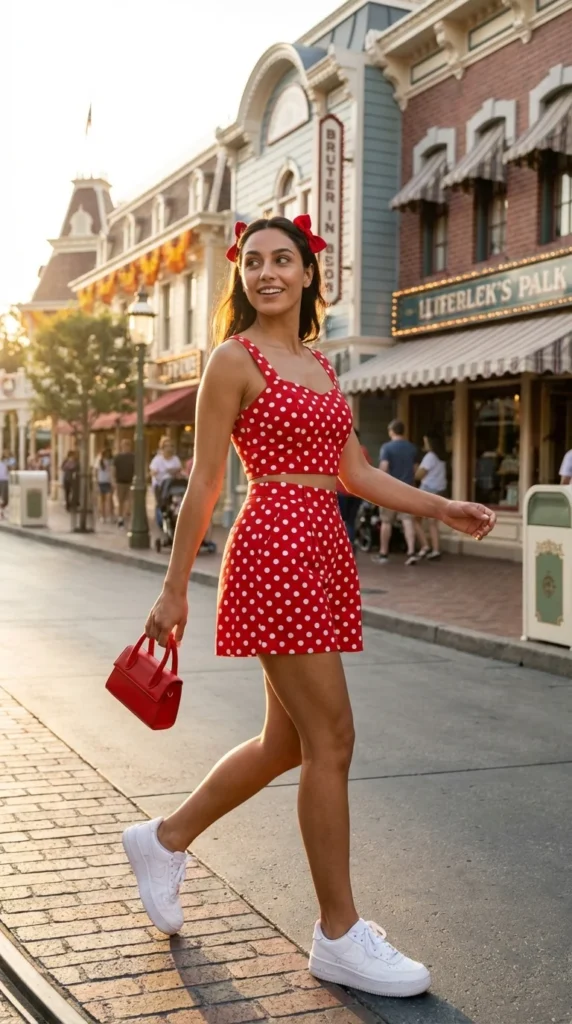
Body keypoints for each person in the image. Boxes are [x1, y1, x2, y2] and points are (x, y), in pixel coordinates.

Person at [121, 214, 496, 998]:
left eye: (282, 260)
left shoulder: (322, 366)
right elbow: (206, 482)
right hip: (273, 550)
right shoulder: (234, 358)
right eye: (254, 262)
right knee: (333, 738)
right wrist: (173, 587)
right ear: (241, 275)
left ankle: (164, 839)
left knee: (285, 744)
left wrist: (442, 507)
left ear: (307, 273)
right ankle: (338, 933)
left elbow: (355, 472)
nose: (268, 272)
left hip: (320, 549)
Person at [372, 419, 419, 566]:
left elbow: (384, 467)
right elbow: (416, 470)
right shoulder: (412, 448)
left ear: (391, 431)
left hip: (390, 489)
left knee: (386, 521)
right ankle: (411, 552)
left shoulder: (387, 448)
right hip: (408, 488)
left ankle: (383, 553)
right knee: (407, 520)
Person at [414, 434, 448, 560]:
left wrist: (416, 468)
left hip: (427, 491)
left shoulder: (430, 457)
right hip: (439, 491)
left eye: (426, 442)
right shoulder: (442, 457)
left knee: (415, 519)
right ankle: (436, 549)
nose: (424, 445)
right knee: (433, 522)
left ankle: (425, 545)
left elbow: (419, 475)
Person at [336, 429, 371, 545]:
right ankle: (351, 543)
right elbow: (368, 469)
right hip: (357, 491)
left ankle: (343, 544)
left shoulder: (339, 448)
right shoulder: (362, 450)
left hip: (341, 489)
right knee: (351, 520)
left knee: (341, 520)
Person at [150, 437, 182, 527]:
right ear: (162, 448)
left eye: (171, 446)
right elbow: (152, 472)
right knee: (160, 502)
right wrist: (157, 472)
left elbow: (179, 469)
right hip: (160, 484)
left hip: (173, 485)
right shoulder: (157, 460)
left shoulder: (175, 459)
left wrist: (174, 471)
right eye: (167, 446)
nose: (169, 448)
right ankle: (160, 520)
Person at [113, 439, 135, 527]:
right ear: (121, 446)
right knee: (120, 501)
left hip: (130, 482)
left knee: (130, 500)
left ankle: (128, 517)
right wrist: (113, 480)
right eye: (124, 445)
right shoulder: (117, 457)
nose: (126, 447)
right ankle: (120, 518)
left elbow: (136, 468)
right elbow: (113, 469)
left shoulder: (133, 457)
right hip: (120, 482)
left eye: (127, 445)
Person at [94, 446, 113, 522]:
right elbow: (95, 471)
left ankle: (110, 515)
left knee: (109, 499)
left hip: (108, 482)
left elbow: (113, 471)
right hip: (101, 481)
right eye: (106, 453)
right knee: (101, 500)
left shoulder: (111, 461)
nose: (107, 455)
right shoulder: (99, 460)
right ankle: (102, 516)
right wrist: (96, 481)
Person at [0, 449, 9, 518]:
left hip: (5, 480)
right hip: (2, 480)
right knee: (3, 498)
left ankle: (2, 511)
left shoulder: (8, 463)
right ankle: (1, 512)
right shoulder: (1, 463)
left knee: (5, 499)